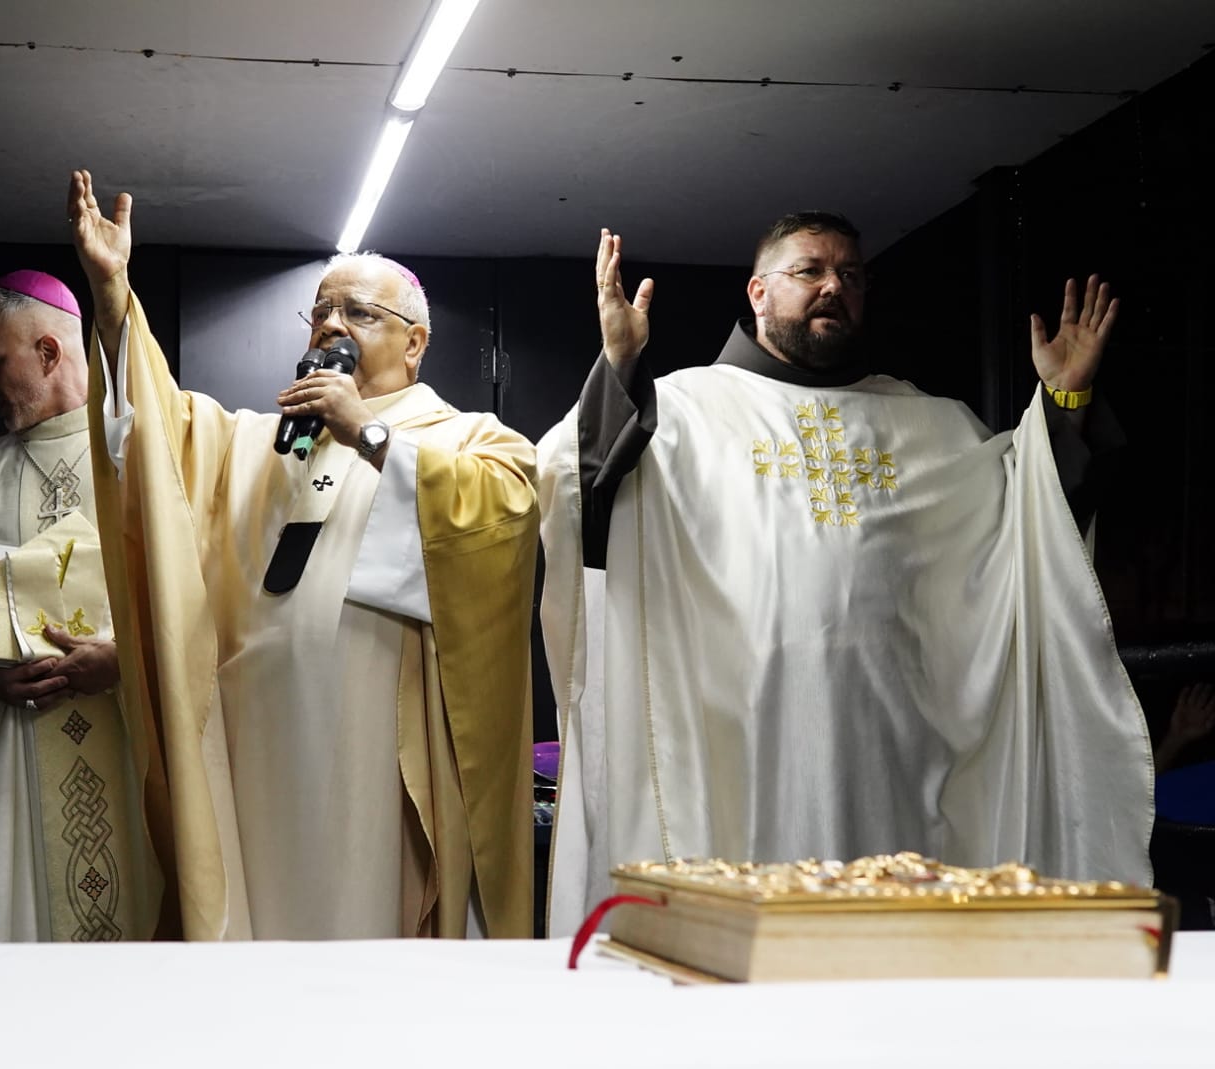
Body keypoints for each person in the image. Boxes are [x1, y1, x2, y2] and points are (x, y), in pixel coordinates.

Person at [539, 213, 1152, 934]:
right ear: (759, 292)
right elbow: (578, 486)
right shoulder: (681, 409)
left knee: (887, 953)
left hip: (894, 752)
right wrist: (617, 369)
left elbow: (1027, 515)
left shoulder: (931, 423)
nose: (834, 287)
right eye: (811, 271)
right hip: (739, 747)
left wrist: (1064, 405)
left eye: (851, 276)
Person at [66, 169, 538, 939]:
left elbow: (504, 517)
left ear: (416, 343)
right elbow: (155, 434)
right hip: (255, 741)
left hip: (373, 750)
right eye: (319, 309)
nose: (330, 324)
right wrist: (115, 297)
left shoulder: (466, 439)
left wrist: (368, 433)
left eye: (358, 310)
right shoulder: (249, 441)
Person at [0, 270, 158, 941]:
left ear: (47, 352)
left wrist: (128, 660)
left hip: (133, 743)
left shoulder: (143, 457)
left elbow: (206, 593)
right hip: (14, 757)